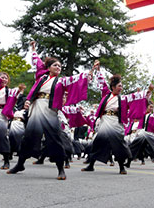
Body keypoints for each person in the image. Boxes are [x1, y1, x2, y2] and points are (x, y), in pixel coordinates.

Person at [7, 41, 98, 180]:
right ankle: (20, 164)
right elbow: (36, 61)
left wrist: (91, 71)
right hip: (37, 107)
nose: (58, 67)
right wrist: (33, 48)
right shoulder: (42, 77)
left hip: (50, 111)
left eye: (60, 66)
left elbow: (78, 78)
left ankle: (61, 169)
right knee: (29, 137)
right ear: (48, 68)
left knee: (55, 139)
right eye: (55, 65)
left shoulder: (61, 81)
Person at [81, 69, 153, 175]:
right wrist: (97, 70)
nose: (121, 88)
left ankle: (121, 167)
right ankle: (91, 165)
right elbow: (102, 82)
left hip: (116, 121)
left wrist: (148, 91)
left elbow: (137, 97)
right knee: (98, 142)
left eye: (121, 86)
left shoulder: (123, 98)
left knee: (118, 144)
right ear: (113, 87)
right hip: (105, 120)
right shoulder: (106, 95)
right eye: (119, 86)